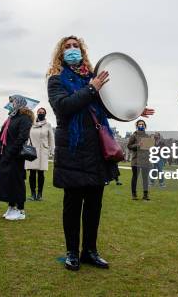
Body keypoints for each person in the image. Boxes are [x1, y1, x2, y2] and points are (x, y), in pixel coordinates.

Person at [47, 35, 154, 271]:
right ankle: (72, 252)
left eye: (76, 46)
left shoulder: (92, 79)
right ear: (60, 53)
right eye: (67, 47)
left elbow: (106, 108)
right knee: (73, 205)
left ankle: (90, 251)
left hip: (96, 150)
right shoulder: (56, 80)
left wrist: (135, 111)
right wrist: (91, 88)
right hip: (73, 149)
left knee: (94, 205)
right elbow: (64, 107)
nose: (72, 49)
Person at [0, 95, 33, 220]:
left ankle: (20, 210)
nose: (11, 104)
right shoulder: (11, 117)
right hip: (6, 153)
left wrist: (11, 152)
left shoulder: (25, 118)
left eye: (13, 101)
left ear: (19, 103)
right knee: (8, 181)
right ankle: (11, 207)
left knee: (17, 181)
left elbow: (22, 137)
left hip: (15, 156)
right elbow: (7, 137)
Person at [26, 107, 54, 201]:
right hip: (32, 150)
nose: (41, 113)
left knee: (41, 173)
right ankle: (33, 194)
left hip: (43, 151)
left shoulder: (48, 125)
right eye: (39, 112)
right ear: (37, 113)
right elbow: (27, 136)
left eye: (42, 112)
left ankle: (40, 194)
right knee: (32, 173)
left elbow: (51, 138)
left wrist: (51, 150)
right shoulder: (31, 124)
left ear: (45, 114)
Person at [127, 119, 152, 200]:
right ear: (137, 126)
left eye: (143, 124)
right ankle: (134, 195)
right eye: (139, 124)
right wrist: (138, 145)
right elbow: (129, 146)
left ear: (145, 126)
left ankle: (145, 195)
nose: (141, 125)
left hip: (145, 160)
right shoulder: (133, 136)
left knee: (145, 178)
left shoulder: (147, 136)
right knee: (135, 177)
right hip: (136, 160)